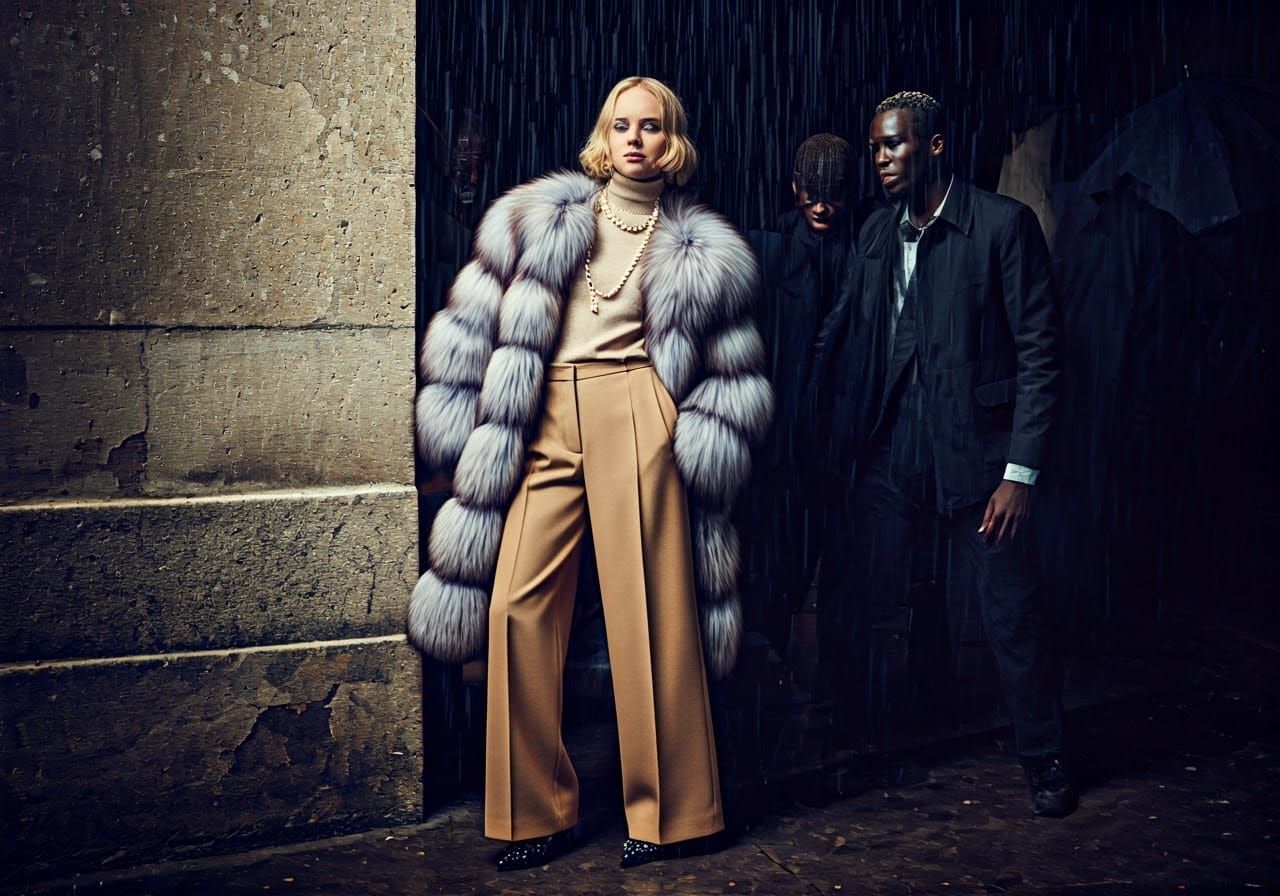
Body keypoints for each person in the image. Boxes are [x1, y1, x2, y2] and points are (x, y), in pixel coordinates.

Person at [408, 76, 772, 869]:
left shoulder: (701, 249)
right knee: (516, 607)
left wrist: (686, 430)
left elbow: (733, 375)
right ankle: (534, 813)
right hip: (543, 411)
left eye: (651, 126)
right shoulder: (534, 216)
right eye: (622, 125)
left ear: (673, 142)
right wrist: (461, 420)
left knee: (651, 615)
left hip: (636, 409)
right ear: (602, 137)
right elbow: (470, 321)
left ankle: (675, 815)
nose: (635, 139)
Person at [814, 91, 1077, 817]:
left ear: (933, 146)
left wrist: (1019, 474)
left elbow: (1041, 355)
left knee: (1010, 613)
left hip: (979, 457)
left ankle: (1046, 756)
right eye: (874, 148)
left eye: (893, 145)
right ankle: (866, 743)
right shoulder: (876, 231)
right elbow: (845, 334)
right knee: (871, 599)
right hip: (891, 449)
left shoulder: (1002, 225)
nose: (879, 160)